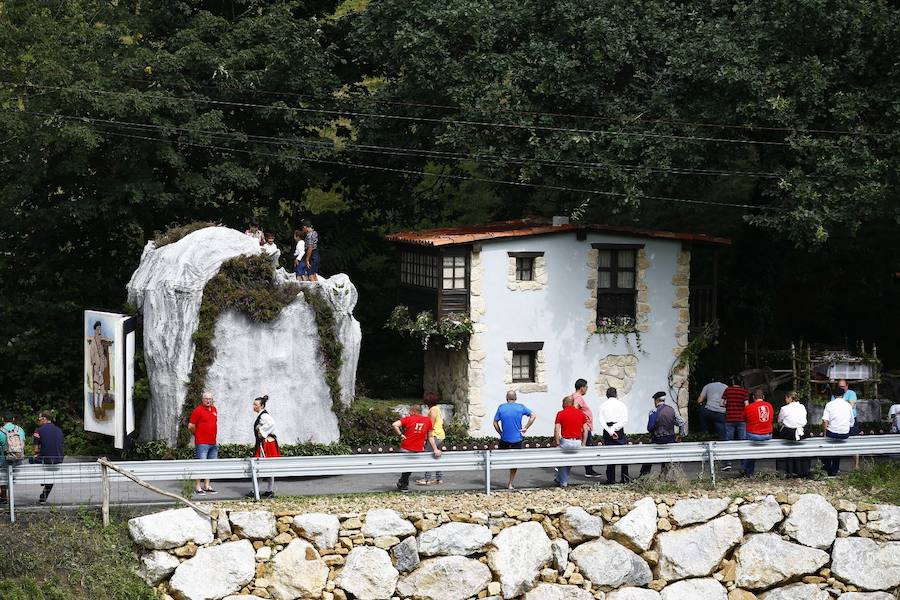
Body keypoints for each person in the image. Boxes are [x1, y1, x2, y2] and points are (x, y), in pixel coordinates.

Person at [492, 390, 536, 490]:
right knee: (514, 462)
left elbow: (495, 423)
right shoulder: (521, 407)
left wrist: (501, 433)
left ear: (506, 398)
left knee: (500, 460)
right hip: (517, 439)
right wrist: (526, 428)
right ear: (515, 398)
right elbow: (533, 415)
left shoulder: (501, 407)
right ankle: (510, 483)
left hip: (504, 439)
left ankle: (497, 479)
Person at [392, 404, 442, 492]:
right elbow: (430, 437)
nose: (409, 413)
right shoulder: (427, 420)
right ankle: (403, 484)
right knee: (408, 468)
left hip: (406, 447)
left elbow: (394, 424)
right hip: (417, 449)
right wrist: (435, 449)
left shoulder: (408, 419)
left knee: (407, 468)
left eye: (410, 411)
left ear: (414, 411)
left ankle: (403, 483)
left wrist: (401, 435)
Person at [639, 391, 686, 478]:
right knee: (667, 456)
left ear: (656, 401)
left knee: (648, 455)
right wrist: (680, 435)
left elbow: (650, 428)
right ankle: (663, 475)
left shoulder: (653, 411)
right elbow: (682, 422)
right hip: (670, 439)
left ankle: (643, 476)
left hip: (657, 439)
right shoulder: (671, 410)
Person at [553, 396, 588, 488]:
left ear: (565, 403)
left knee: (562, 461)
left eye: (562, 403)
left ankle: (563, 482)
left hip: (566, 441)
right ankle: (558, 478)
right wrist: (583, 443)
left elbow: (557, 430)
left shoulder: (561, 413)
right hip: (577, 441)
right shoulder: (581, 414)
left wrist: (557, 443)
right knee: (568, 462)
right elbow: (586, 429)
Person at [597, 387, 630, 484]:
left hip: (607, 430)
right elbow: (625, 420)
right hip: (619, 430)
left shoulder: (602, 405)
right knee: (623, 454)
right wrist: (615, 429)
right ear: (616, 394)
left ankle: (611, 479)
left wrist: (610, 431)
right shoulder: (622, 405)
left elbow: (601, 421)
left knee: (609, 454)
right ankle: (625, 478)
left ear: (607, 395)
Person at [188, 391, 219, 496]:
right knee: (200, 465)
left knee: (210, 466)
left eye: (210, 398)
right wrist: (198, 435)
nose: (208, 400)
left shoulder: (214, 409)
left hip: (213, 443)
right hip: (202, 443)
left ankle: (206, 486)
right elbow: (191, 425)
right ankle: (197, 487)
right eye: (206, 398)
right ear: (202, 399)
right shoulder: (198, 410)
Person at [821, 386, 854, 476]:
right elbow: (852, 422)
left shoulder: (829, 404)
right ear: (843, 394)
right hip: (845, 434)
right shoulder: (848, 405)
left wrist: (824, 434)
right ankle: (835, 469)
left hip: (832, 433)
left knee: (828, 446)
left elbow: (825, 421)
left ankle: (827, 468)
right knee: (837, 447)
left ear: (833, 395)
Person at [251, 395, 279, 498]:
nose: (253, 406)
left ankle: (256, 491)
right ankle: (269, 490)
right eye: (254, 404)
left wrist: (261, 431)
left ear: (262, 406)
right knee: (267, 466)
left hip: (267, 444)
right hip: (266, 443)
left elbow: (272, 424)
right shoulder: (261, 415)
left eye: (256, 404)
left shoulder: (264, 416)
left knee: (261, 466)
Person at [571, 379, 600, 478]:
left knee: (582, 449)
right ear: (582, 387)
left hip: (584, 427)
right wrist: (581, 423)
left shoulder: (573, 396)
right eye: (586, 387)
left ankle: (589, 470)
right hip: (584, 428)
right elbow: (574, 411)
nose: (587, 389)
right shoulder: (578, 398)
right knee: (587, 449)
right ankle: (589, 471)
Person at [32, 411, 64, 504]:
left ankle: (43, 479)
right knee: (51, 475)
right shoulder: (59, 430)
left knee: (31, 460)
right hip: (58, 459)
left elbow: (35, 449)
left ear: (44, 419)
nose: (39, 422)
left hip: (45, 459)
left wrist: (36, 453)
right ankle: (43, 497)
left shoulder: (38, 430)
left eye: (40, 420)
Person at [776, 391, 810, 477]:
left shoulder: (784, 408)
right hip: (803, 432)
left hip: (789, 433)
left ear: (790, 398)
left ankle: (788, 469)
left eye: (786, 398)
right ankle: (802, 470)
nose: (785, 399)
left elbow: (779, 421)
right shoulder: (802, 407)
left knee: (786, 444)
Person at [741, 389, 774, 476]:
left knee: (747, 447)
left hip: (753, 435)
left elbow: (744, 419)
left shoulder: (748, 407)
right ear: (763, 397)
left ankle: (747, 471)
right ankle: (745, 469)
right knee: (751, 448)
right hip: (768, 435)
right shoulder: (769, 405)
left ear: (753, 397)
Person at [720, 377, 749, 471]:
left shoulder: (727, 390)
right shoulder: (744, 391)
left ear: (733, 382)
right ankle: (744, 464)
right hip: (741, 419)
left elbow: (721, 403)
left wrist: (728, 405)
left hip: (729, 418)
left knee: (729, 441)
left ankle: (728, 463)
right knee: (743, 441)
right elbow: (747, 405)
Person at [418, 392, 446, 486]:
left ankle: (427, 479)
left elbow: (431, 426)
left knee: (428, 456)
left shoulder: (432, 411)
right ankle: (439, 478)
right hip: (440, 435)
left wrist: (427, 438)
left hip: (434, 436)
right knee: (437, 457)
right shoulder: (437, 408)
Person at [832, 379, 860, 469]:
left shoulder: (851, 393)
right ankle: (835, 468)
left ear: (847, 386)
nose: (842, 388)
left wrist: (841, 406)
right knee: (836, 442)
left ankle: (856, 466)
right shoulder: (834, 394)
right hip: (838, 420)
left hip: (851, 420)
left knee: (854, 442)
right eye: (840, 386)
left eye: (843, 386)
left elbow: (851, 405)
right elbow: (832, 406)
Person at [0, 413, 26, 504]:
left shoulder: (0, 431)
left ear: (2, 419)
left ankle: (3, 498)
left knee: (2, 476)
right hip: (18, 462)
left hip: (4, 460)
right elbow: (23, 445)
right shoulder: (20, 430)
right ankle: (4, 498)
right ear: (13, 419)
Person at [88, 320, 109, 418]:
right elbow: (92, 357)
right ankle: (96, 407)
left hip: (102, 368)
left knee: (102, 389)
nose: (99, 330)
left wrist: (104, 365)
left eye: (100, 328)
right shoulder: (93, 342)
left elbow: (103, 355)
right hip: (97, 369)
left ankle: (100, 406)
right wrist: (96, 368)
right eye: (98, 328)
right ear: (95, 329)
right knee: (96, 388)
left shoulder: (101, 341)